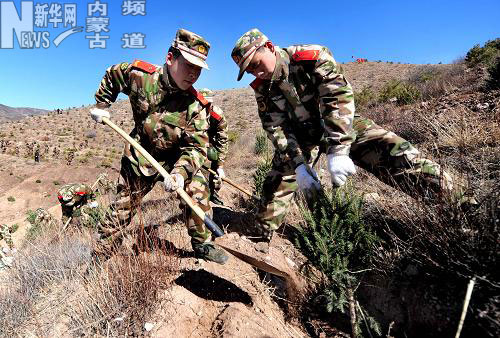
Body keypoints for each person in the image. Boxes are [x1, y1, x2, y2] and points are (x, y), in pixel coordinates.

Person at [231, 28, 465, 252]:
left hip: (338, 123)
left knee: (394, 152)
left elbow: (337, 99)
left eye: (255, 63)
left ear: (270, 47)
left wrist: (339, 149)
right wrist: (299, 165)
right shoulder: (263, 87)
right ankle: (260, 240)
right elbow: (276, 127)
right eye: (249, 71)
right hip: (302, 135)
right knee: (276, 182)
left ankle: (461, 205)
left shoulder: (311, 57)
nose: (255, 72)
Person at [90, 29, 228, 264]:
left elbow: (196, 148)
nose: (194, 74)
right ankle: (99, 257)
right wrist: (102, 104)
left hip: (176, 160)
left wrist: (180, 174)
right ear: (170, 57)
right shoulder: (140, 77)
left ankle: (202, 244)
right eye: (189, 65)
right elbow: (113, 75)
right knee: (120, 210)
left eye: (199, 69)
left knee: (196, 191)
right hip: (139, 157)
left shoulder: (196, 106)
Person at [199, 88, 229, 206]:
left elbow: (223, 140)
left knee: (215, 161)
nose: (205, 106)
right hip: (195, 140)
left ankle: (213, 193)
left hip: (212, 142)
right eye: (202, 103)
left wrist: (220, 166)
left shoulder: (217, 115)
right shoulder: (191, 111)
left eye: (208, 103)